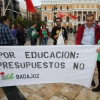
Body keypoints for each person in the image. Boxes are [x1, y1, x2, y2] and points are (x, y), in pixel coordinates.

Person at [75, 13, 100, 86]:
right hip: (83, 47)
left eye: (91, 20)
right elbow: (77, 37)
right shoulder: (81, 27)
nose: (89, 22)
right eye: (88, 20)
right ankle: (83, 77)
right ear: (85, 20)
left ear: (93, 20)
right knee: (83, 63)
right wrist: (77, 46)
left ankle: (91, 79)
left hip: (93, 48)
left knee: (91, 65)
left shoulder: (97, 28)